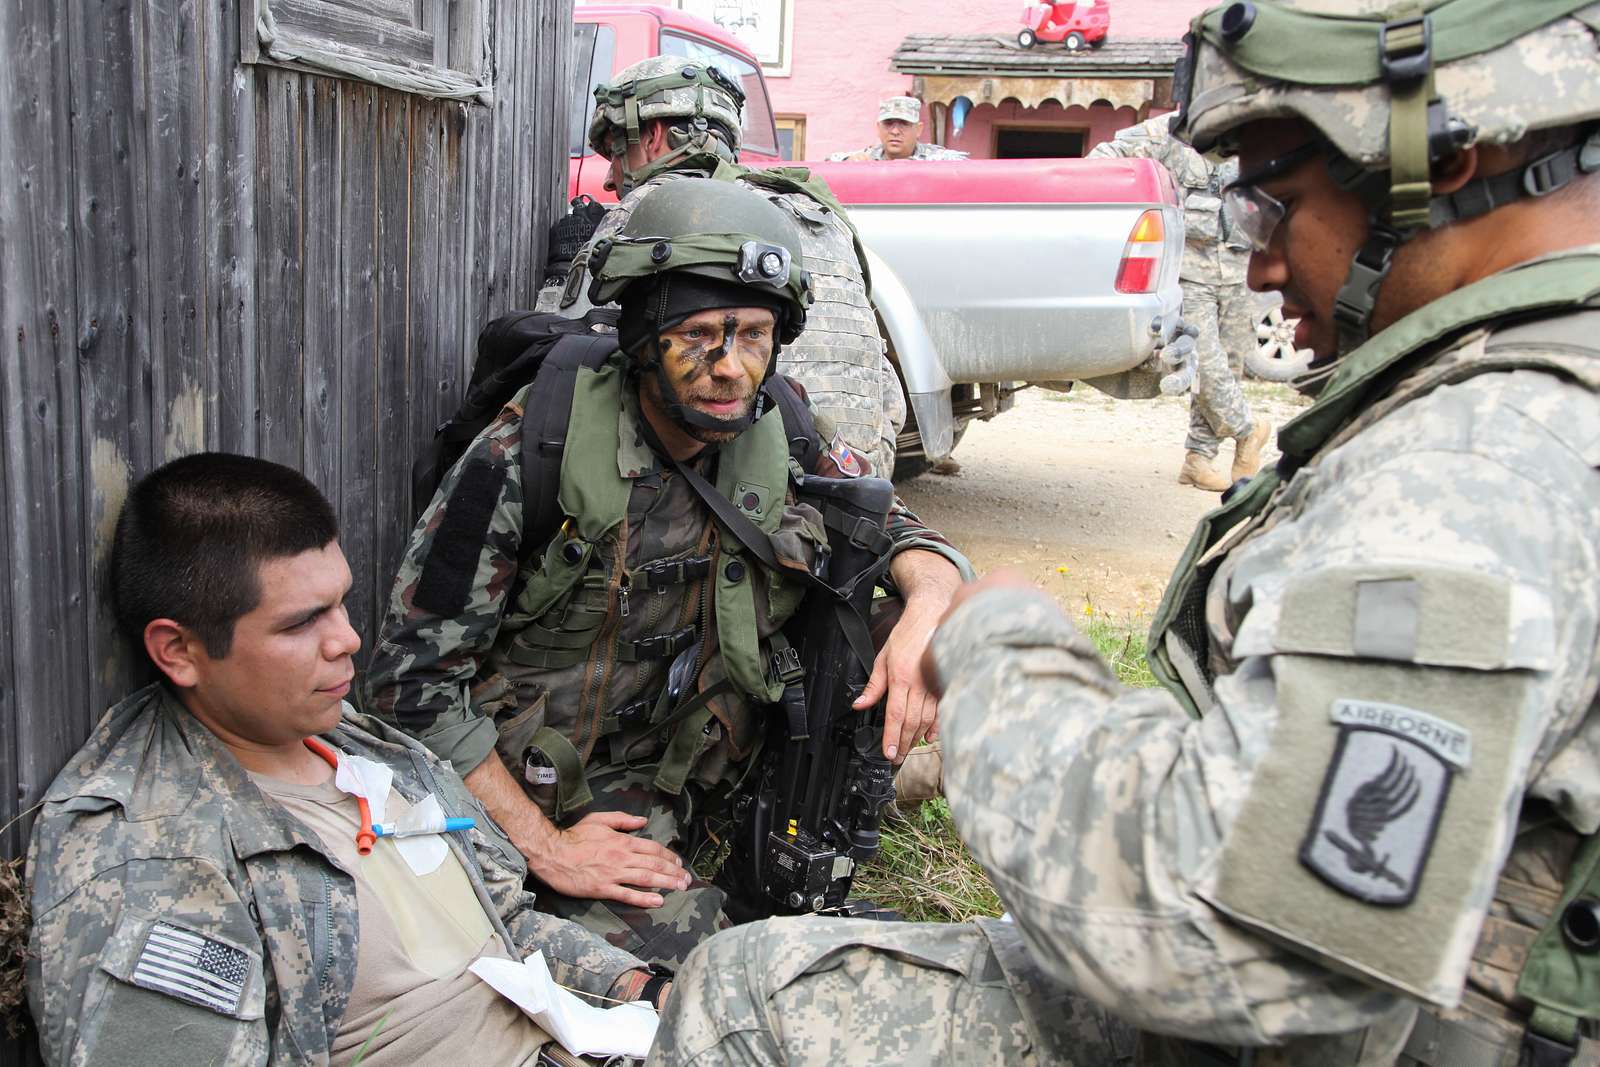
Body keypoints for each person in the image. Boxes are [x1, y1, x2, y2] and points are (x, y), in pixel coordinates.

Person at [647, 2, 1600, 1064]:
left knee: (743, 996)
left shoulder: (1476, 462)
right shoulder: (1532, 400)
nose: (1263, 267)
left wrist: (1003, 641)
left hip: (1332, 1015)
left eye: (1277, 206)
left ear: (1448, 162)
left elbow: (1229, 932)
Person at [366, 178, 970, 971]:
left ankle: (873, 777)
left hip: (722, 741)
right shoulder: (528, 454)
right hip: (579, 787)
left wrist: (930, 600)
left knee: (955, 634)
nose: (729, 367)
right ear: (644, 336)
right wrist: (547, 846)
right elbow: (410, 687)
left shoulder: (778, 421)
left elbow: (896, 527)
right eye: (699, 336)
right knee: (718, 977)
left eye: (753, 336)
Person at [25, 453, 663, 1066]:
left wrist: (642, 990)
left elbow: (507, 926)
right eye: (301, 623)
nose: (349, 639)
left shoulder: (360, 746)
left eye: (340, 602)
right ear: (180, 651)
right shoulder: (157, 859)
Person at [541, 55, 906, 480]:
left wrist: (561, 272)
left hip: (749, 485)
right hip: (858, 476)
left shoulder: (654, 210)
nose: (609, 177)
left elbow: (566, 373)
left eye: (614, 153)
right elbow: (885, 386)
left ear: (652, 135)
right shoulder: (823, 214)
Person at [1090, 114, 1272, 492]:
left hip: (1243, 267)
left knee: (1231, 364)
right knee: (1206, 362)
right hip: (1190, 271)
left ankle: (1199, 458)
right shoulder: (1169, 131)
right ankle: (1247, 430)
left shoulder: (1255, 127)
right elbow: (1105, 158)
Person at [826, 96, 969, 161]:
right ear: (878, 128)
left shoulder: (937, 159)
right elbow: (826, 165)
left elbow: (969, 168)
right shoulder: (865, 159)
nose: (895, 131)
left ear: (918, 130)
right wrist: (849, 164)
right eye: (888, 123)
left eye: (904, 123)